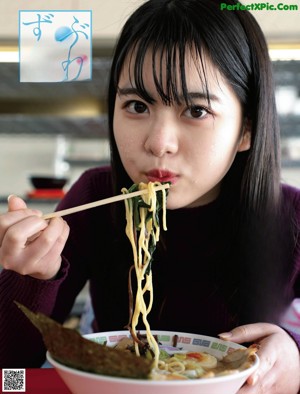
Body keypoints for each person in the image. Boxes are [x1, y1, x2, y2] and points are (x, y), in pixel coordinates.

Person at [0, 0, 299, 392]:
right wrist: (30, 278)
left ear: (247, 128)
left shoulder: (291, 217)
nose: (158, 143)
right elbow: (10, 373)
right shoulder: (95, 196)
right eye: (137, 105)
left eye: (196, 110)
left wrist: (295, 362)